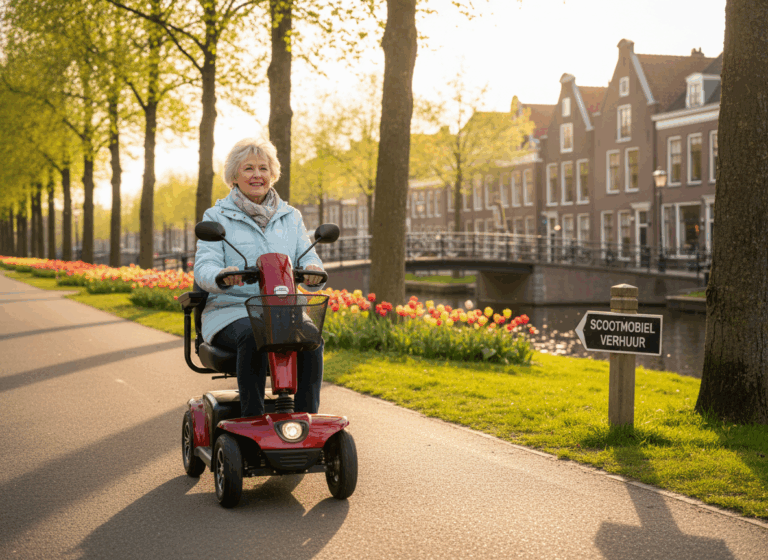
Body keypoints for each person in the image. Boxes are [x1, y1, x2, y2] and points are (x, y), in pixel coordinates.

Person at [194, 138, 326, 417]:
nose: (257, 175)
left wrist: (314, 272)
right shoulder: (216, 216)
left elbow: (308, 256)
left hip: (283, 310)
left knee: (312, 338)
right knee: (255, 335)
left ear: (272, 174)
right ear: (234, 175)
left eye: (263, 168)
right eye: (249, 169)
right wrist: (221, 276)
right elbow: (204, 266)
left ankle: (304, 420)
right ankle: (251, 421)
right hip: (231, 310)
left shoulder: (291, 216)